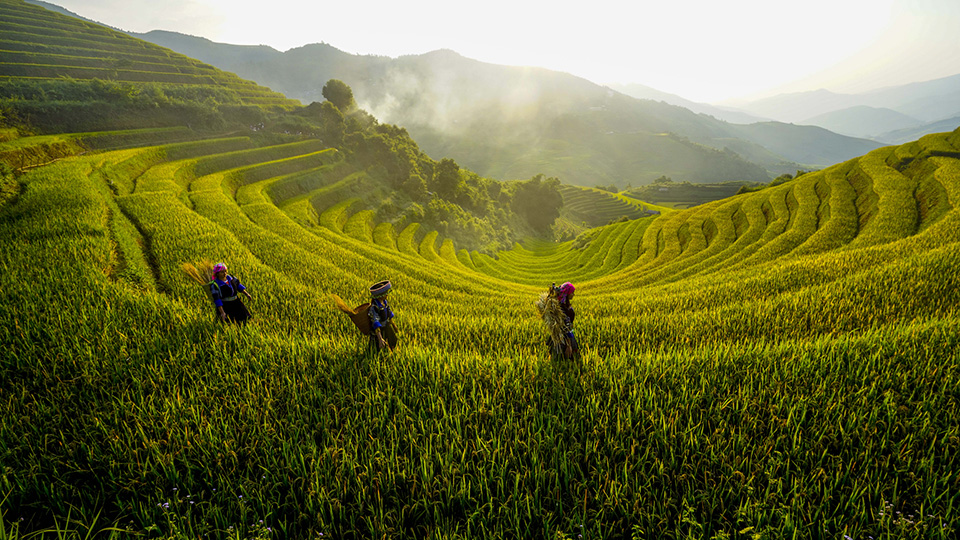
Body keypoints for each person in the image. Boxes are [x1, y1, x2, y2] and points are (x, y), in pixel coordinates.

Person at [367, 279, 398, 353]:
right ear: (380, 296)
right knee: (375, 349)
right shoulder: (374, 307)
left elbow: (389, 313)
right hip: (379, 330)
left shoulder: (385, 303)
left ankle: (392, 353)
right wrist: (380, 338)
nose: (387, 295)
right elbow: (375, 322)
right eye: (385, 293)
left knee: (393, 340)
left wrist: (393, 325)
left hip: (387, 326)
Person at [556, 282, 579, 359]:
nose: (573, 294)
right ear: (567, 293)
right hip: (565, 339)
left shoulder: (559, 305)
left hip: (557, 338)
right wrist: (568, 345)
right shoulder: (565, 309)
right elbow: (567, 327)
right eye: (572, 292)